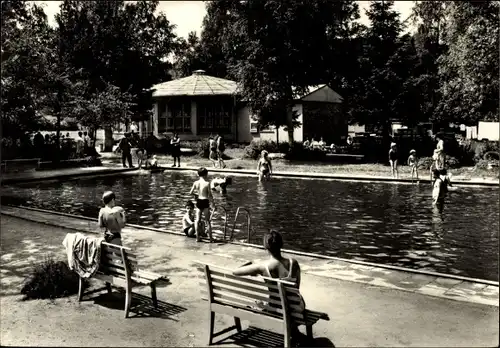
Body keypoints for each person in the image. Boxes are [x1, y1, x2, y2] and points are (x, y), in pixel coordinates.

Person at [233, 230, 306, 343]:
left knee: (263, 302)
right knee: (294, 297)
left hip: (276, 308)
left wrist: (250, 264)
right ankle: (294, 330)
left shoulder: (262, 267)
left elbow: (235, 272)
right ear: (281, 245)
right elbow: (297, 288)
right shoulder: (294, 263)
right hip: (297, 309)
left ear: (265, 248)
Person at [189, 167, 214, 242]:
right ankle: (210, 238)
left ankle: (197, 237)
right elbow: (210, 195)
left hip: (199, 201)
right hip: (205, 201)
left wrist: (196, 195)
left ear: (198, 174)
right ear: (206, 174)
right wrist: (213, 204)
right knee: (207, 221)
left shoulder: (196, 183)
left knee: (197, 220)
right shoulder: (207, 183)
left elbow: (190, 192)